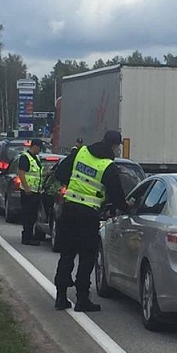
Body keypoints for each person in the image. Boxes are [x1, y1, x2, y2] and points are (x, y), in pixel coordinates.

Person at [52, 130, 128, 312]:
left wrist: (73, 185)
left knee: (67, 253)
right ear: (115, 146)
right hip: (88, 215)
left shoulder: (82, 152)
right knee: (87, 257)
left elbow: (61, 173)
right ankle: (82, 300)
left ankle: (61, 298)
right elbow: (117, 196)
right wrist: (127, 207)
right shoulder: (108, 166)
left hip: (69, 209)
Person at [18, 138, 44, 246]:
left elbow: (37, 174)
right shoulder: (25, 157)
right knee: (28, 215)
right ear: (35, 146)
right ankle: (26, 238)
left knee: (32, 216)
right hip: (28, 192)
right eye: (39, 148)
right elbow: (21, 173)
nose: (40, 150)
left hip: (36, 191)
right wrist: (26, 187)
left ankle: (29, 235)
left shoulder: (36, 158)